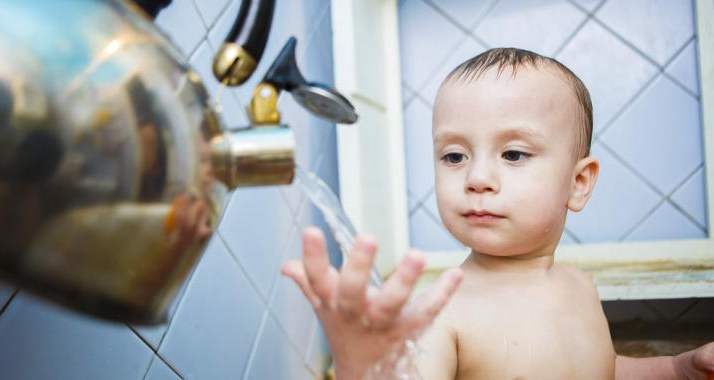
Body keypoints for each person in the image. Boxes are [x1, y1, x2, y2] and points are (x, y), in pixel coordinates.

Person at [281, 48, 714, 379]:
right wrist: (364, 367)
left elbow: (605, 370)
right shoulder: (442, 317)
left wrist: (677, 369)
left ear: (578, 184)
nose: (477, 177)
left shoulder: (578, 287)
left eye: (512, 153)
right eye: (454, 156)